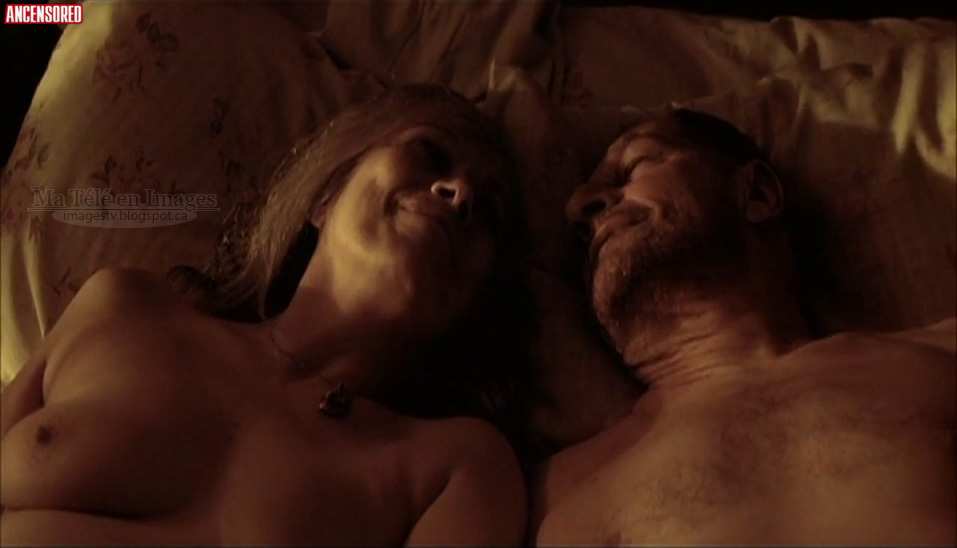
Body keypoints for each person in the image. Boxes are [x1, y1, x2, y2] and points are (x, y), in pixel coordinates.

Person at [0, 84, 533, 546]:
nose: (461, 193)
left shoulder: (457, 466)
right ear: (326, 195)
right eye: (428, 153)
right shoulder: (120, 306)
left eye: (487, 210)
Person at [530, 108, 955, 546]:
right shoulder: (540, 499)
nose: (579, 205)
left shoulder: (943, 357)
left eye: (635, 165)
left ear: (756, 193)